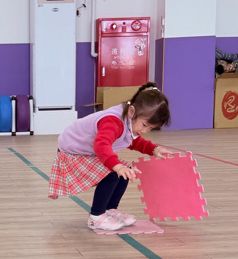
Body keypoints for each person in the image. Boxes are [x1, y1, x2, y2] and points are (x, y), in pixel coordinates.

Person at [48, 82, 173, 232]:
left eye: (150, 128)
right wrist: (117, 166)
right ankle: (96, 217)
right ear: (132, 111)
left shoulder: (128, 118)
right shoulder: (113, 121)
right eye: (145, 125)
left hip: (86, 152)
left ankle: (109, 210)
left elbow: (131, 140)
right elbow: (101, 146)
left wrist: (154, 149)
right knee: (113, 173)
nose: (145, 131)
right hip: (72, 153)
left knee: (124, 172)